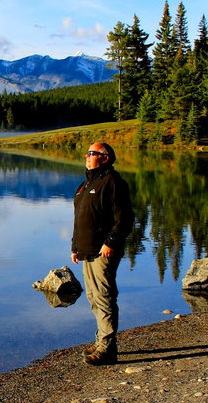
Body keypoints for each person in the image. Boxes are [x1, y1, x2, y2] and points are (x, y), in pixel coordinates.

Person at [71, 142, 134, 366]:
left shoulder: (113, 182)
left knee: (104, 297)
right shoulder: (87, 183)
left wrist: (110, 242)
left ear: (105, 158)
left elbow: (125, 219)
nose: (87, 156)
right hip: (86, 249)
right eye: (87, 153)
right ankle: (101, 341)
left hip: (103, 250)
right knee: (92, 297)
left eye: (92, 153)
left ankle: (107, 348)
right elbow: (80, 217)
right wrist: (74, 246)